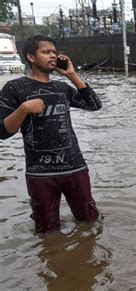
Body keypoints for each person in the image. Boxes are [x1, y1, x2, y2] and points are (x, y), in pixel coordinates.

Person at [0, 35, 102, 233]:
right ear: (31, 56)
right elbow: (2, 132)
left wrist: (71, 75)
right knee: (47, 231)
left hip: (75, 168)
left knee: (90, 222)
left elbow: (94, 105)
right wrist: (23, 109)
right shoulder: (14, 88)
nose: (53, 56)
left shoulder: (61, 87)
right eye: (46, 52)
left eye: (54, 52)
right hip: (40, 174)